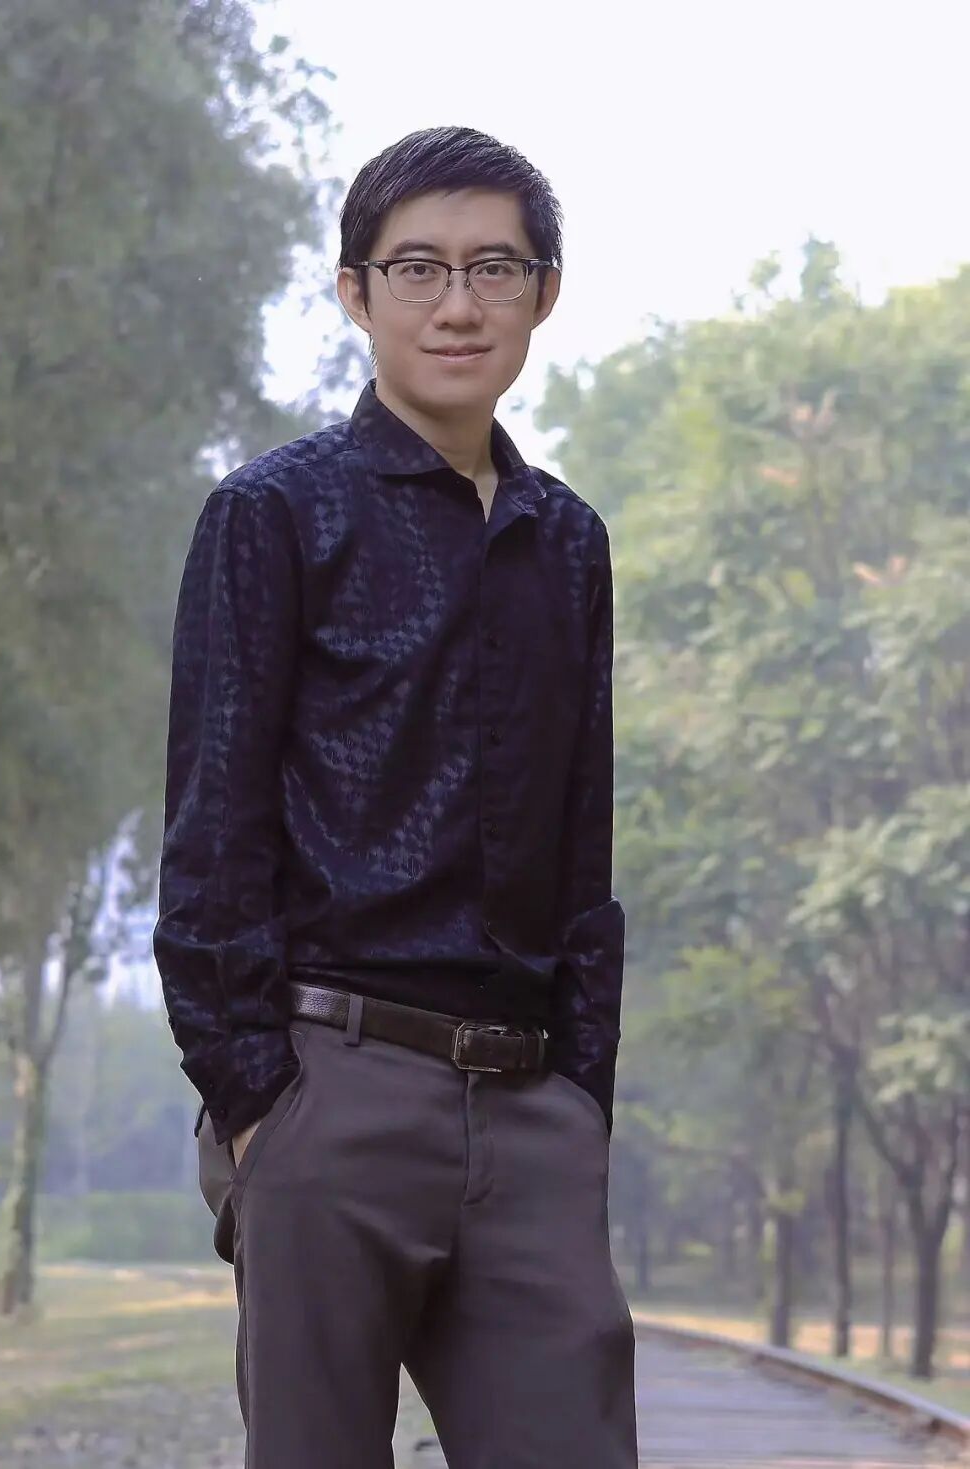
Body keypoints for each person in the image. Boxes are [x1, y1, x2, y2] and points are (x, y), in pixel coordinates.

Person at [153, 124, 636, 1469]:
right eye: (417, 268)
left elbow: (581, 842)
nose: (457, 304)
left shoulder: (568, 542)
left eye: (495, 268)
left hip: (530, 1110)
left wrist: (581, 1094)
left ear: (545, 291)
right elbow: (213, 830)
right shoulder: (274, 514)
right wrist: (259, 1101)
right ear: (356, 292)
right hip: (331, 1086)